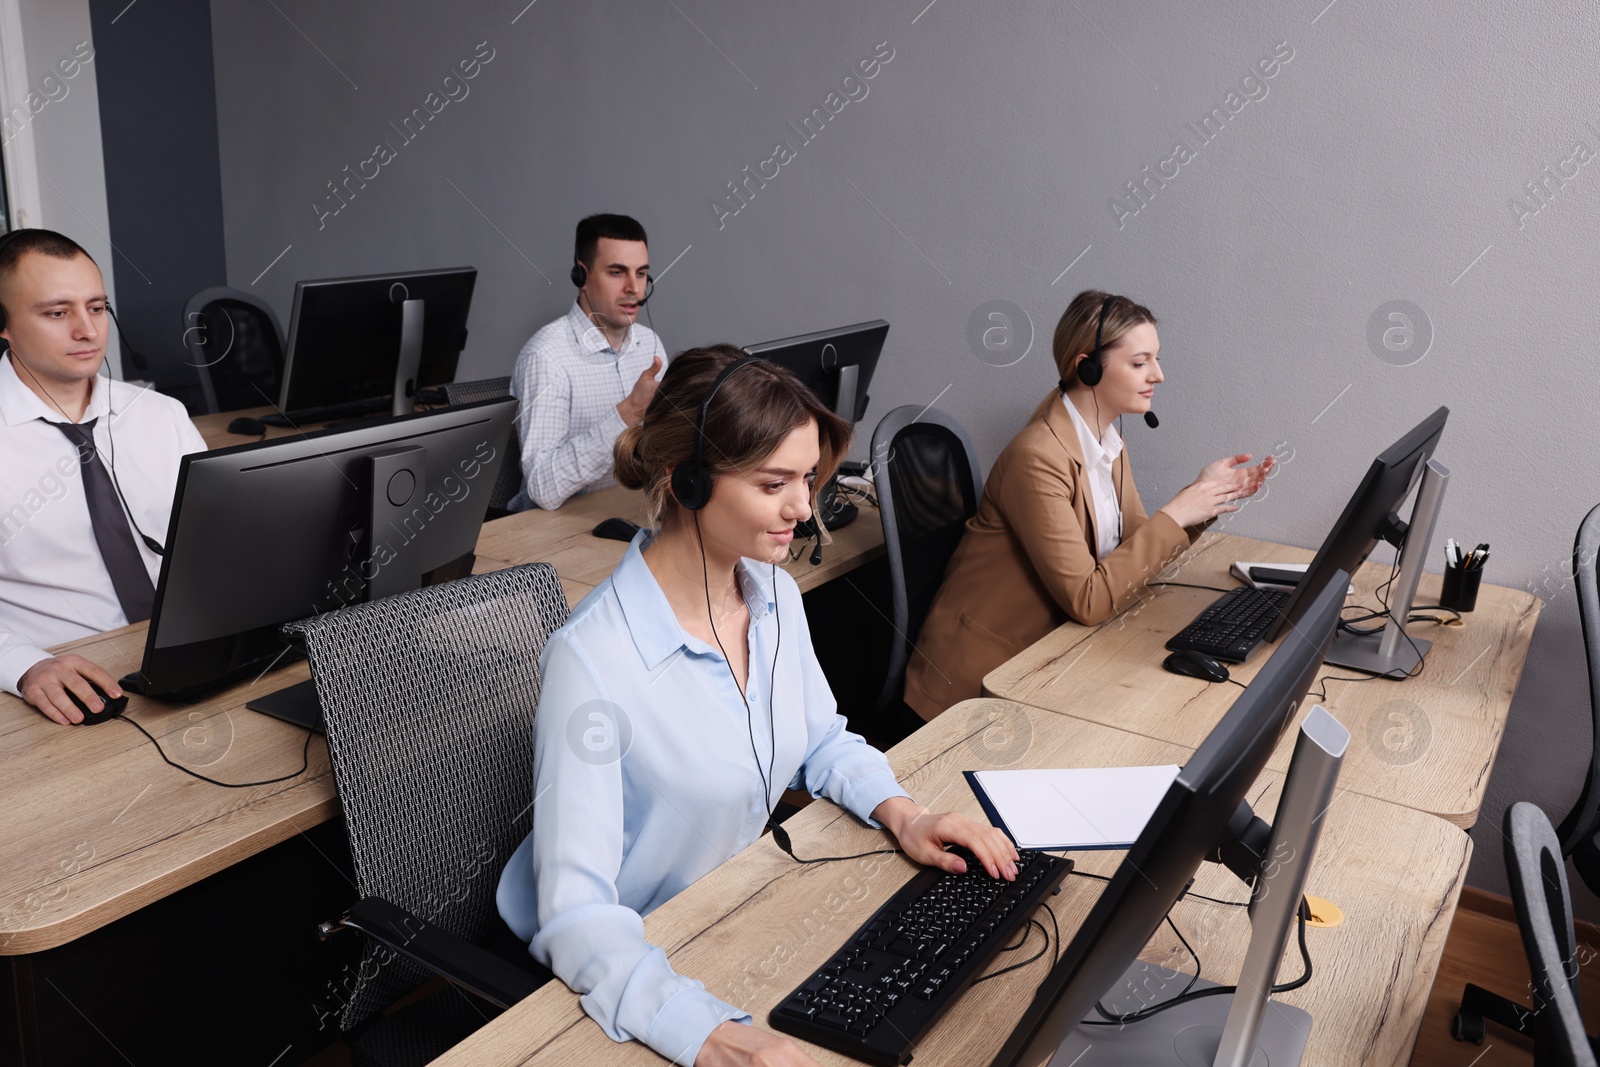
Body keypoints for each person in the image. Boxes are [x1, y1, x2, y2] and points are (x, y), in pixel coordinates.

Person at [497, 345, 1017, 1066]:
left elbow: (819, 738)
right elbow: (576, 913)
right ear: (690, 482)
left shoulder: (769, 593)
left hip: (739, 915)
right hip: (637, 972)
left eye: (806, 479)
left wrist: (907, 812)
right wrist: (705, 1034)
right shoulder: (592, 663)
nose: (806, 508)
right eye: (776, 483)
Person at [903, 290, 1273, 721]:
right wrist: (1178, 511)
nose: (1159, 375)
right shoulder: (1036, 457)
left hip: (1052, 656)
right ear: (1088, 368)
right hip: (975, 686)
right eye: (1140, 363)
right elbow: (1089, 599)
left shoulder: (1107, 443)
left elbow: (1134, 555)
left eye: (1155, 359)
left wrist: (1201, 502)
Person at [0, 228, 207, 724]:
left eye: (96, 308)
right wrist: (24, 666)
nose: (88, 331)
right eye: (57, 312)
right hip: (68, 676)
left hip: (189, 654)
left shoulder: (162, 415)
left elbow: (221, 542)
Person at [509, 213, 665, 510]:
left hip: (627, 513)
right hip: (553, 530)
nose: (634, 287)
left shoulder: (651, 345)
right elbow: (543, 488)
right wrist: (628, 412)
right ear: (581, 276)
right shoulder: (546, 357)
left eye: (641, 273)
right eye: (617, 273)